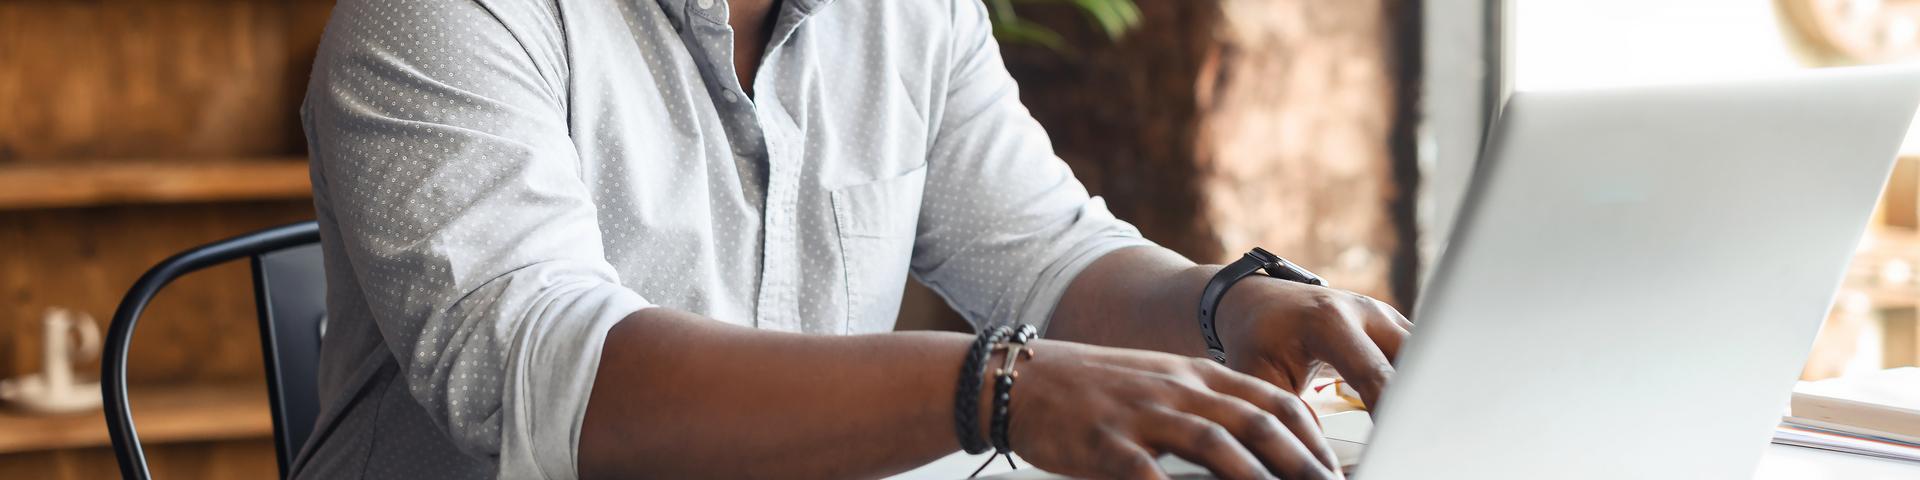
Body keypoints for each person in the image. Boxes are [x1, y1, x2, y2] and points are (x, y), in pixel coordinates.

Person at [296, 0, 1412, 478]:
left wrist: (1228, 305)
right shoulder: (442, 14)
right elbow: (552, 383)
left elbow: (1047, 252)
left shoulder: (908, 14)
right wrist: (997, 387)